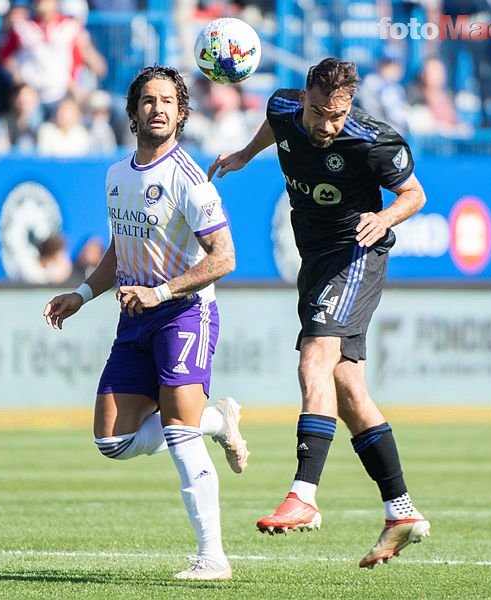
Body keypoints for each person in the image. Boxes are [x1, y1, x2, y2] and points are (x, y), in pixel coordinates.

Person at [208, 57, 430, 569]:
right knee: (349, 391)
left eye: (338, 114)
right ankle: (401, 512)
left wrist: (385, 216)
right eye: (320, 113)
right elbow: (276, 124)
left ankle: (303, 495)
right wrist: (245, 154)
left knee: (314, 359)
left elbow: (415, 194)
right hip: (314, 256)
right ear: (305, 96)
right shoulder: (284, 105)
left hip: (355, 251)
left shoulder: (374, 141)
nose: (328, 125)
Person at [43, 65, 248, 581]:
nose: (157, 108)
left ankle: (212, 557)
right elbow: (122, 247)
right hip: (134, 316)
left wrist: (161, 291)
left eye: (167, 101)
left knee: (179, 433)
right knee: (111, 441)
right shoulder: (117, 175)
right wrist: (84, 293)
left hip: (183, 312)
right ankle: (218, 419)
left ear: (181, 113)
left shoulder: (189, 179)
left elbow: (223, 257)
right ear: (133, 111)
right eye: (148, 101)